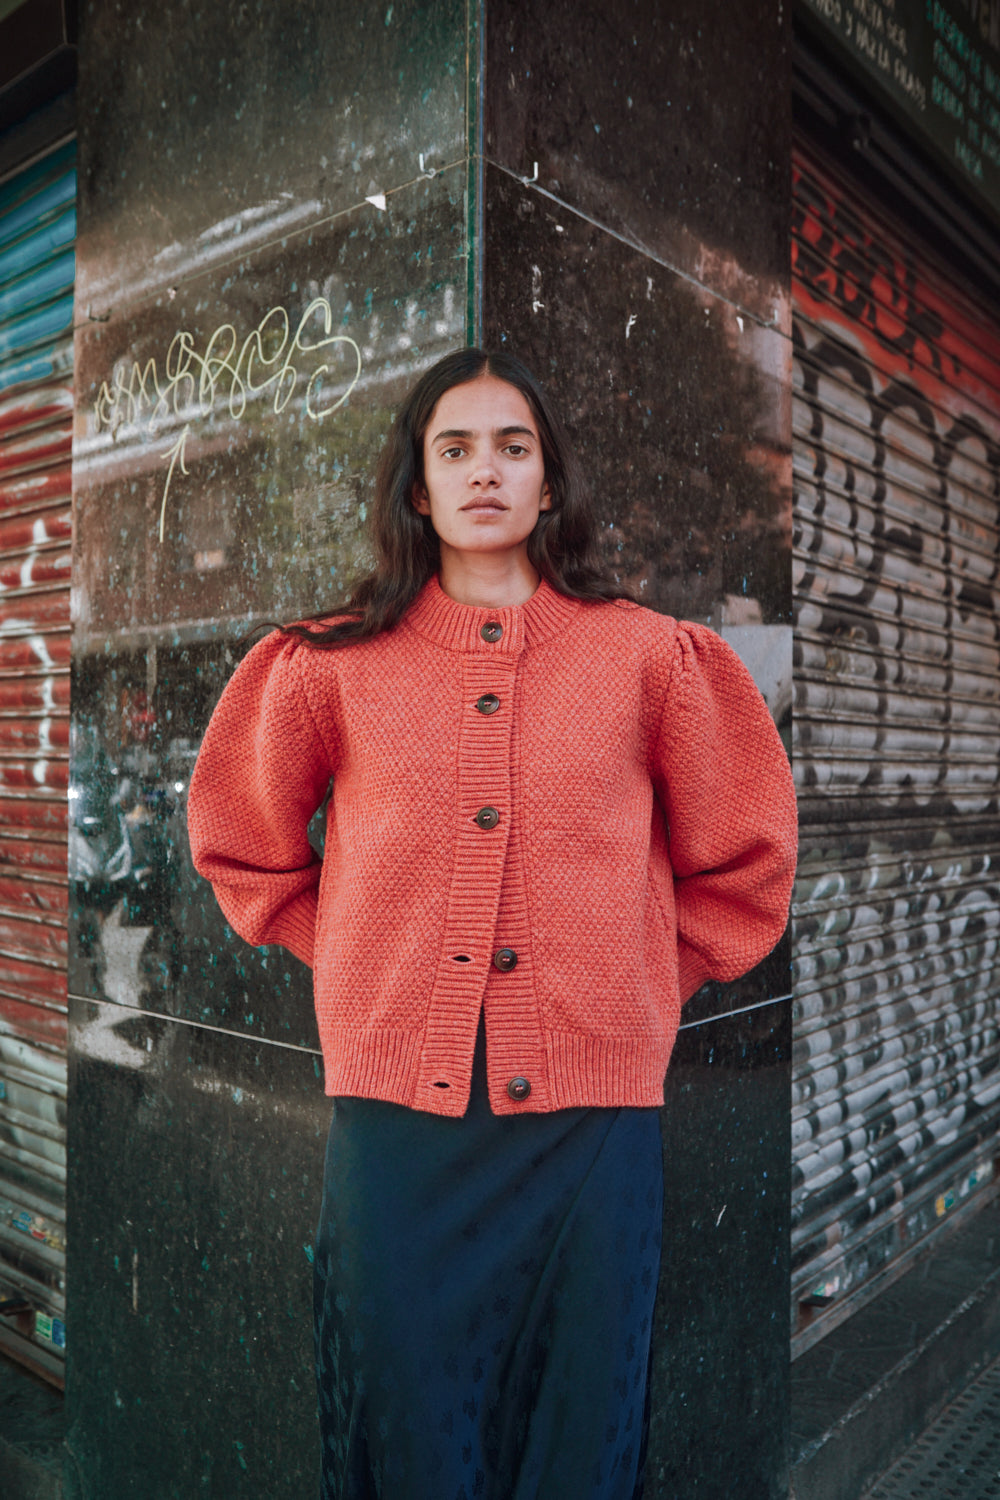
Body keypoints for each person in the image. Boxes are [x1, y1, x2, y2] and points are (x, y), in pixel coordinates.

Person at [187, 347, 797, 1500]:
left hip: (592, 1133)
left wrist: (629, 979)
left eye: (512, 448)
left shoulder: (645, 660)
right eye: (453, 448)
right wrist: (371, 956)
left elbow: (746, 863)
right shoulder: (331, 666)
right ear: (416, 486)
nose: (484, 472)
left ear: (549, 482)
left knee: (578, 1430)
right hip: (395, 1132)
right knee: (402, 1423)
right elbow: (241, 841)